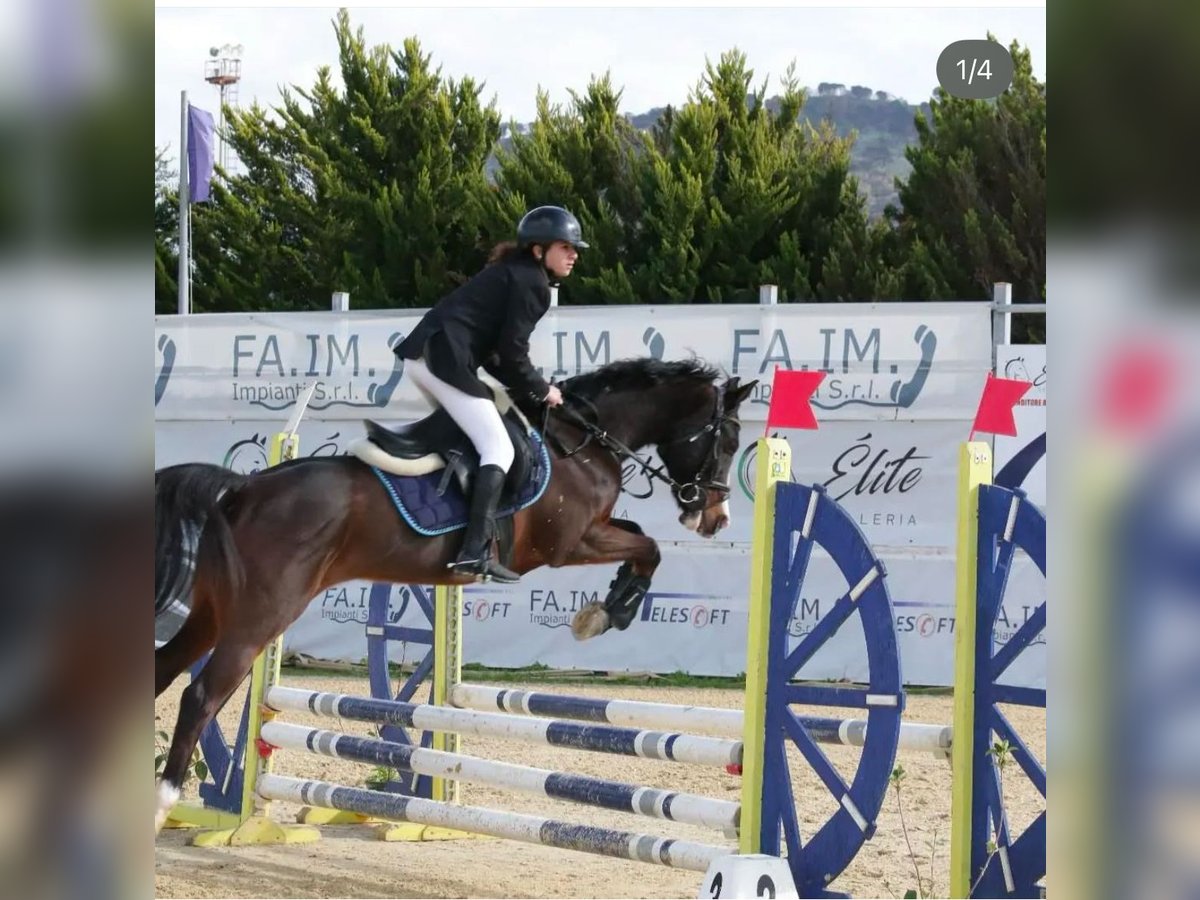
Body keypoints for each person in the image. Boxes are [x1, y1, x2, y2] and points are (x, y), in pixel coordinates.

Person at [393, 206, 587, 583]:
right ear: (538, 249)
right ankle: (473, 552)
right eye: (565, 246)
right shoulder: (533, 284)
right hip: (441, 361)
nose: (574, 254)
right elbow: (513, 354)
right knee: (499, 448)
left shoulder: (515, 273)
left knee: (475, 432)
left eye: (574, 248)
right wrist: (542, 390)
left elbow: (497, 354)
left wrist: (533, 389)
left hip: (430, 357)